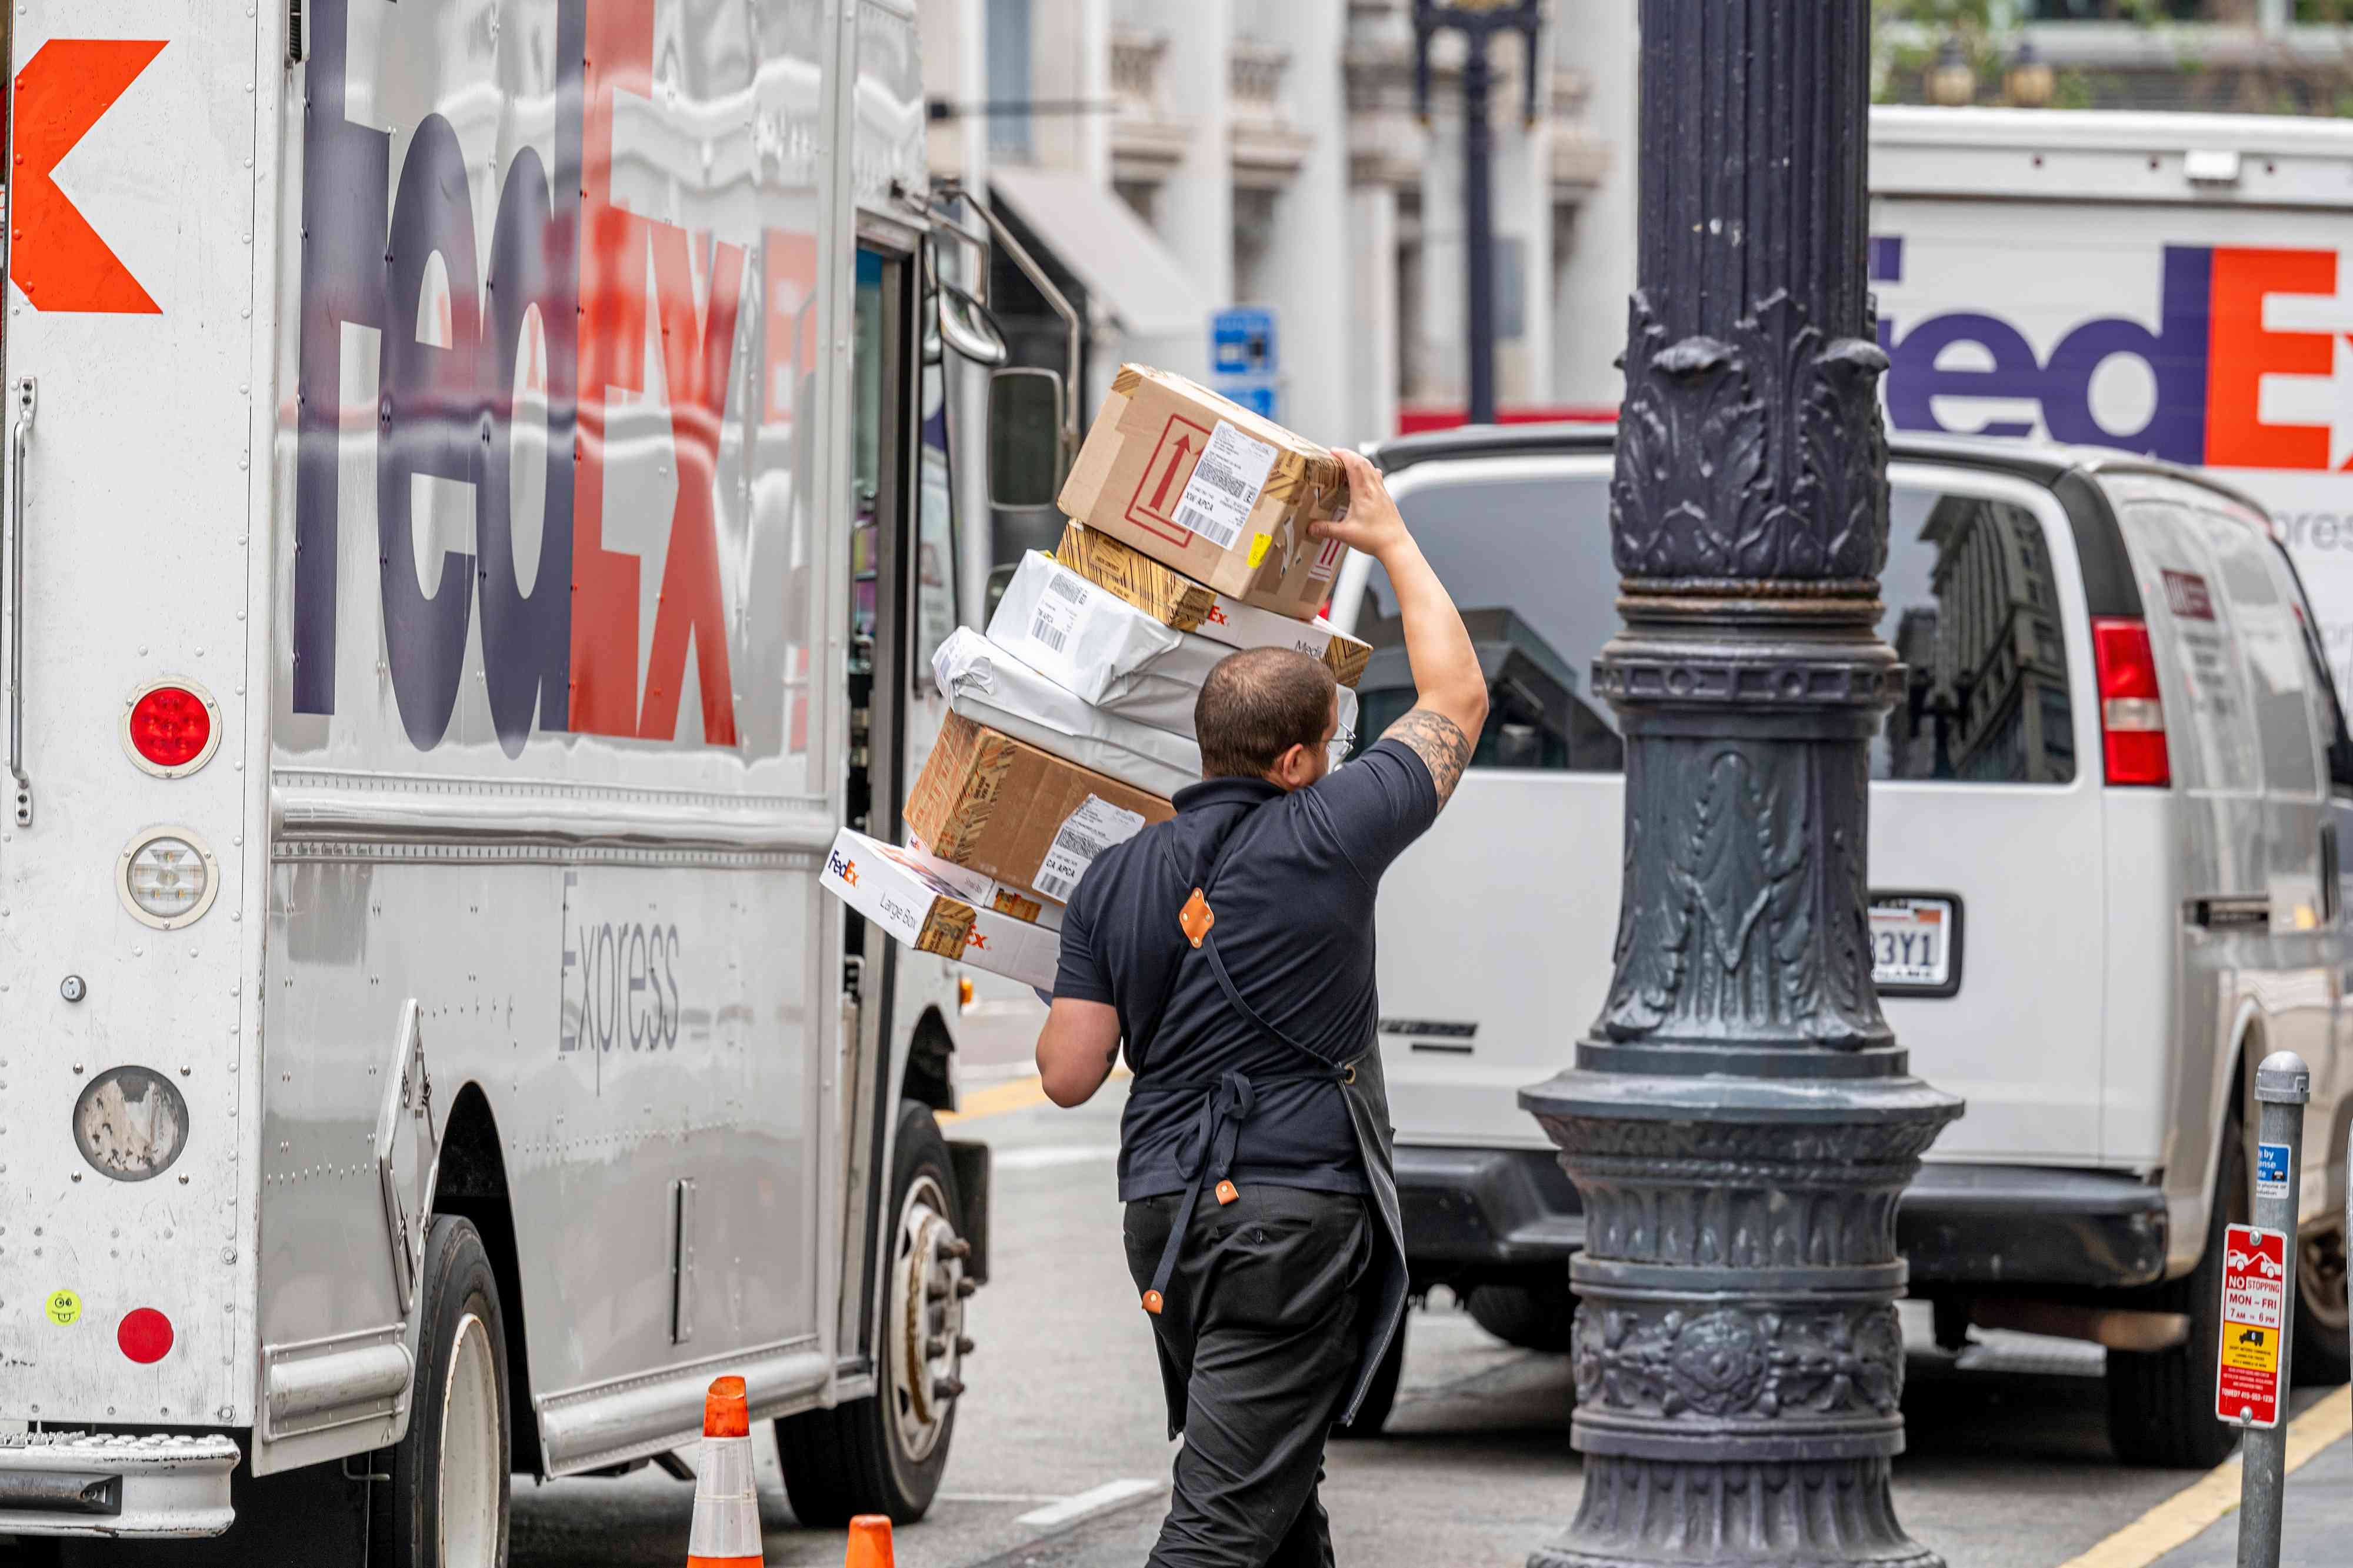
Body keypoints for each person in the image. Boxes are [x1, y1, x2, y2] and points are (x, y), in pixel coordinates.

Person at [1031, 447, 1488, 1568]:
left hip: (1167, 1221)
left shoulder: (1113, 876)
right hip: (1292, 1218)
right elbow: (1457, 697)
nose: (1333, 760)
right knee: (1221, 1524)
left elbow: (1067, 1071)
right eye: (1327, 746)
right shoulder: (1331, 831)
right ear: (1297, 756)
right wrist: (1387, 535)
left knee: (1276, 1495)